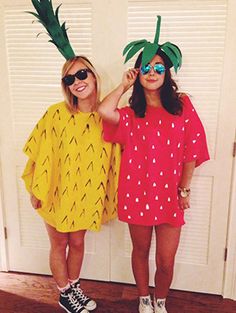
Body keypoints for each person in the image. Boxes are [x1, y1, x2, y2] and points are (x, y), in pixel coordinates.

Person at [98, 16, 209, 313]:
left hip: (170, 195)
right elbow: (102, 111)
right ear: (138, 72)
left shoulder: (182, 104)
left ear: (167, 74)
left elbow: (192, 150)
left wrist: (184, 190)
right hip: (137, 192)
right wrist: (122, 86)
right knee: (141, 250)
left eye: (159, 67)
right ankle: (143, 298)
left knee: (165, 260)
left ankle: (160, 301)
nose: (152, 72)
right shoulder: (131, 113)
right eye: (146, 67)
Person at [22, 2, 119, 313]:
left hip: (85, 194)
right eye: (69, 78)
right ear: (66, 86)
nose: (76, 81)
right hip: (54, 192)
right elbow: (38, 152)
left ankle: (73, 287)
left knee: (78, 244)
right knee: (59, 244)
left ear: (92, 75)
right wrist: (35, 190)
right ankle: (64, 293)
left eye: (81, 73)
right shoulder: (55, 114)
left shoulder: (106, 117)